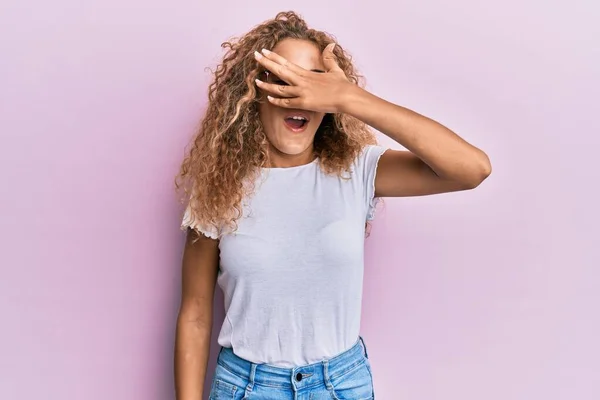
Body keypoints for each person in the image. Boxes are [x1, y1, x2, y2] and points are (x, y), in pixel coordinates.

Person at [174, 10, 491, 400]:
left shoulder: (356, 171)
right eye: (285, 79)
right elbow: (195, 314)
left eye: (313, 83)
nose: (301, 95)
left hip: (342, 384)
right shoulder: (218, 188)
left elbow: (471, 169)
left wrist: (351, 98)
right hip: (247, 387)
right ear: (253, 92)